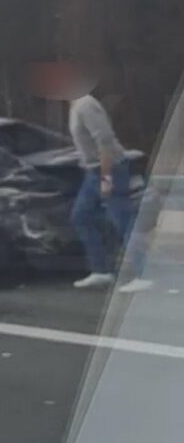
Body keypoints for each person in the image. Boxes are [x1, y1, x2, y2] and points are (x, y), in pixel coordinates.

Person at [68, 91, 150, 292]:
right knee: (81, 216)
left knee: (122, 220)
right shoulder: (74, 106)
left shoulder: (86, 105)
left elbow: (104, 141)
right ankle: (101, 270)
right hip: (92, 171)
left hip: (110, 168)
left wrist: (106, 178)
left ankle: (144, 273)